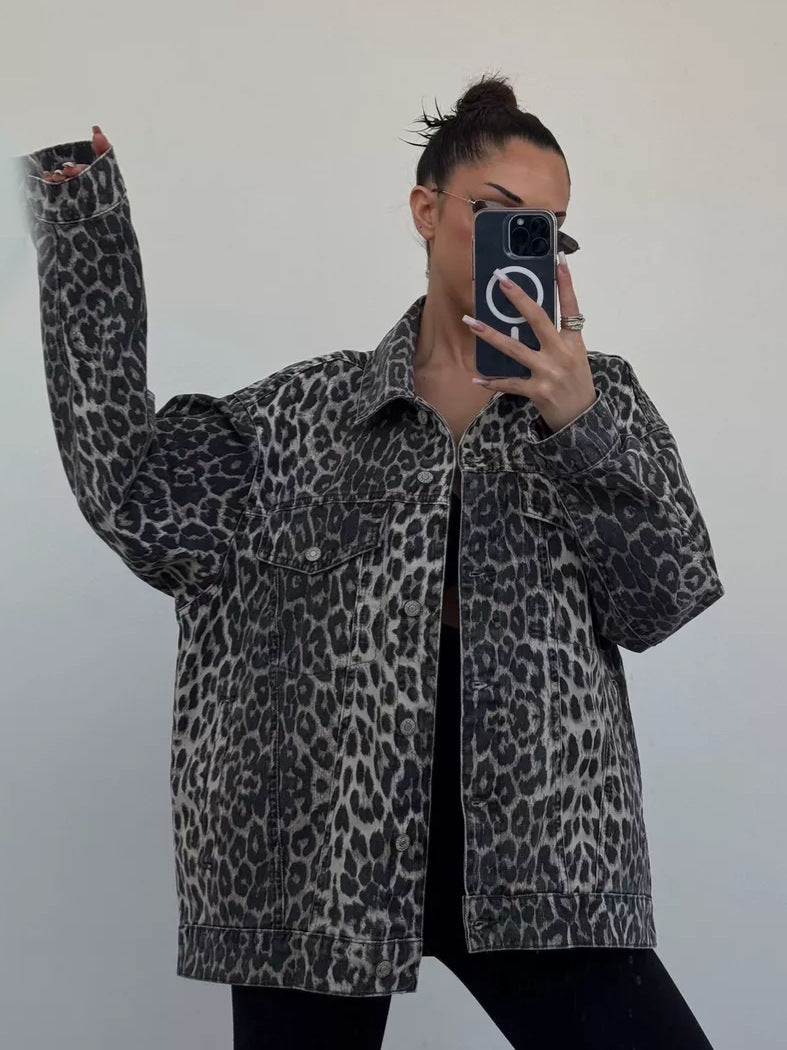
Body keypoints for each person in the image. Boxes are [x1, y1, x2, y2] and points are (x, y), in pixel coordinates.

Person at [20, 73, 722, 1048]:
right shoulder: (305, 415)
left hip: (539, 848)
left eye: (549, 230)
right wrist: (83, 225)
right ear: (426, 211)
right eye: (498, 214)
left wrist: (579, 420)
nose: (525, 244)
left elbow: (665, 597)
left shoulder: (602, 402)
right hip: (319, 852)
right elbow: (132, 495)